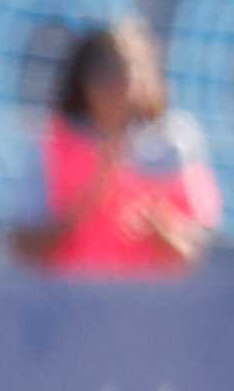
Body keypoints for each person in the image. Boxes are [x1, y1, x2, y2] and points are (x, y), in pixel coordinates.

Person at [27, 22, 218, 275]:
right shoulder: (52, 143)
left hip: (154, 298)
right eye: (104, 75)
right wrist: (87, 200)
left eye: (126, 73)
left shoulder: (176, 140)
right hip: (73, 296)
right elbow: (24, 248)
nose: (116, 87)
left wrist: (164, 230)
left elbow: (200, 250)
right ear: (82, 81)